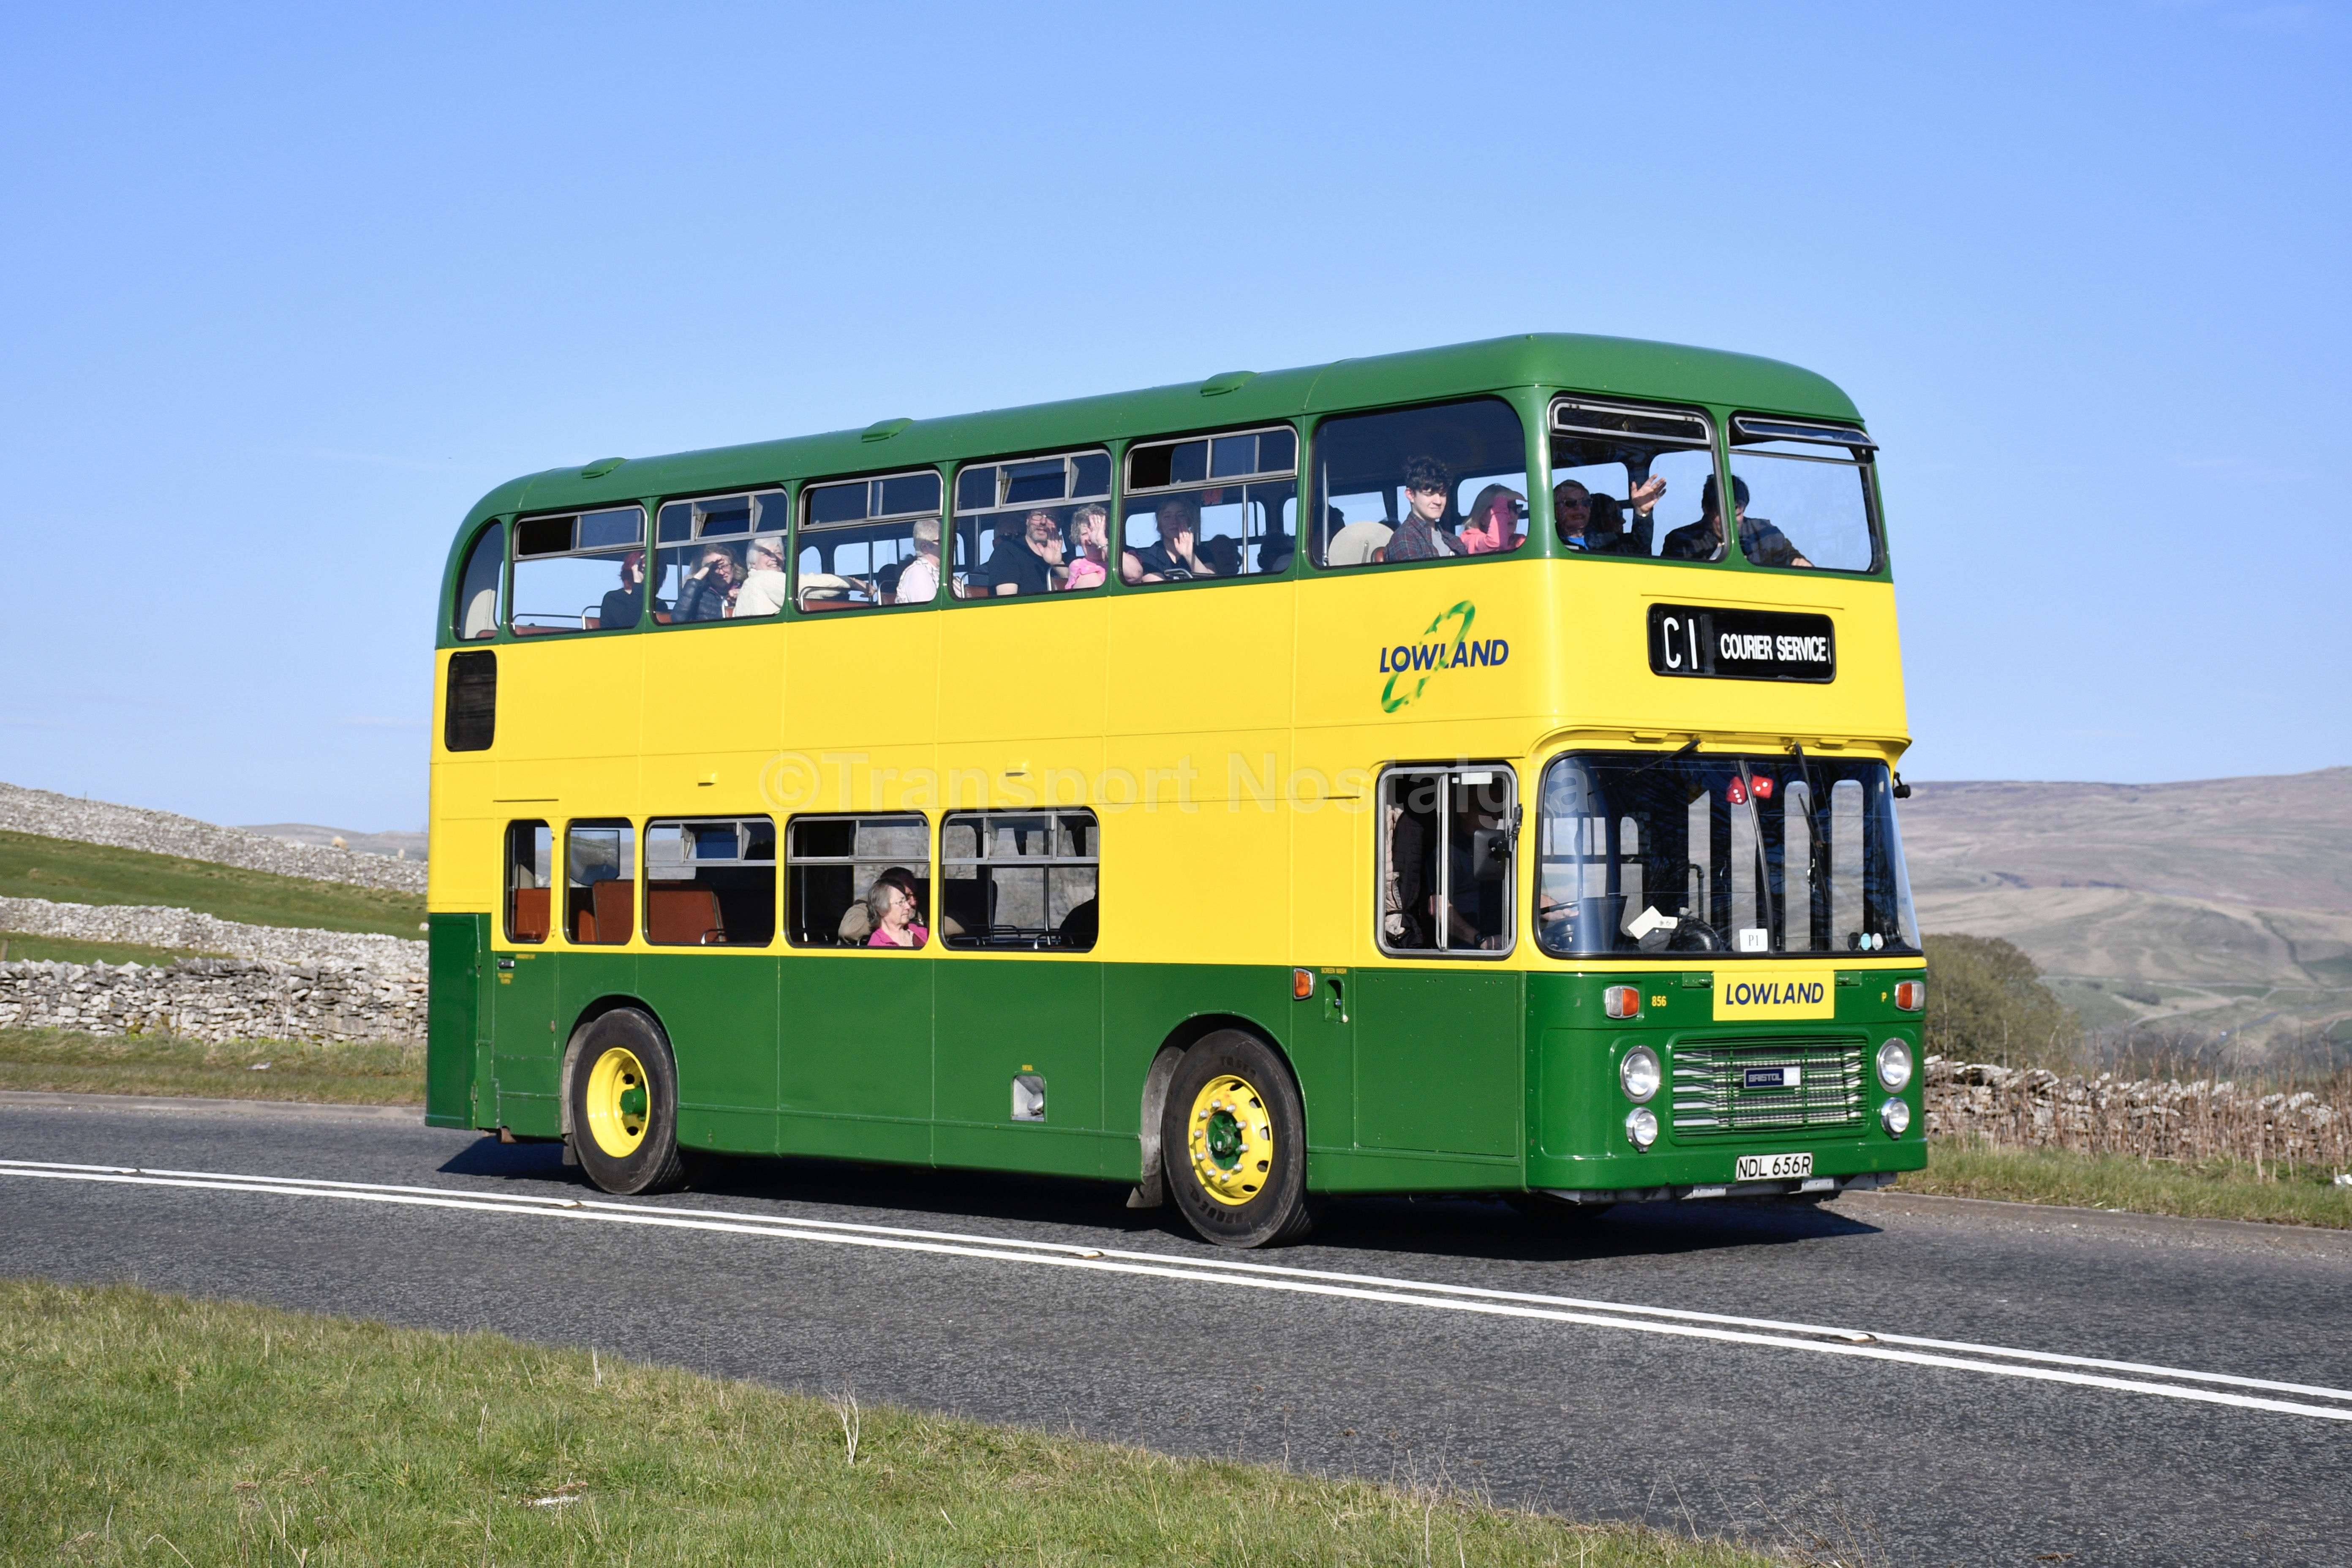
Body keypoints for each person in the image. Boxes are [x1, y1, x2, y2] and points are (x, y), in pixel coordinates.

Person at [1662, 474, 1812, 567]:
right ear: (1706, 509)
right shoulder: (1682, 541)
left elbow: (1791, 558)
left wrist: (1800, 564)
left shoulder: (1765, 533)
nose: (1730, 522)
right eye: (1722, 514)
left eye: (1737, 513)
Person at [1554, 475, 1666, 553]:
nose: (1580, 508)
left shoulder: (1609, 541)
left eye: (1586, 503)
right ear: (1555, 509)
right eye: (1571, 503)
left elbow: (1640, 549)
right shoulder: (1547, 542)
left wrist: (1642, 512)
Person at [1379, 457, 1460, 562]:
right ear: (1411, 495)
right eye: (1429, 494)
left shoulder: (1455, 541)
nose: (1439, 501)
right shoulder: (1404, 539)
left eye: (1443, 494)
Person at [1124, 495, 1217, 582]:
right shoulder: (1149, 557)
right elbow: (1159, 591)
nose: (1174, 522)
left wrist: (1189, 556)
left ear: (1189, 520)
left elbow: (1211, 586)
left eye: (1181, 515)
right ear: (1160, 524)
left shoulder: (1203, 553)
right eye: (1167, 517)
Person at [991, 509, 1062, 596]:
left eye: (1051, 517)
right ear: (1028, 520)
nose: (1043, 522)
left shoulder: (1068, 559)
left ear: (1058, 526)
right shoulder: (1007, 552)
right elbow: (1007, 602)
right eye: (1037, 515)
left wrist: (1058, 564)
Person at [673, 542, 741, 622]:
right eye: (714, 568)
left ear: (734, 567)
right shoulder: (698, 596)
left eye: (725, 566)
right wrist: (699, 575)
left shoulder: (746, 588)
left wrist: (742, 597)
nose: (721, 573)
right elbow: (678, 619)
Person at [730, 536, 790, 617]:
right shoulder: (761, 579)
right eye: (767, 554)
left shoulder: (751, 584)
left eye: (778, 553)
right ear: (753, 564)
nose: (774, 558)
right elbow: (800, 587)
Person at [1459, 485, 1526, 555]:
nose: (1513, 515)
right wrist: (1501, 499)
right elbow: (1496, 543)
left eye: (1516, 509)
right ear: (1482, 517)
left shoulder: (1520, 542)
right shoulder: (1470, 540)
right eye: (1505, 508)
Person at [865, 877, 928, 948]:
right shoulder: (878, 947)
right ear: (881, 909)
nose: (908, 907)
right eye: (901, 903)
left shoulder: (918, 930)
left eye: (906, 901)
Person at [893, 517, 942, 604]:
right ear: (924, 547)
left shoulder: (943, 574)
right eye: (943, 542)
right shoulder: (918, 572)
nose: (952, 546)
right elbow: (929, 613)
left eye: (954, 542)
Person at [1063, 502, 1110, 591]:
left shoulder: (1122, 560)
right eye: (1085, 534)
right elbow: (1101, 595)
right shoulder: (1079, 566)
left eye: (1096, 531)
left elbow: (1135, 574)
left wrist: (1102, 542)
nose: (1091, 539)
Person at [598, 550, 644, 629]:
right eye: (644, 569)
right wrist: (638, 584)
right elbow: (633, 626)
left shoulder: (658, 604)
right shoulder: (613, 598)